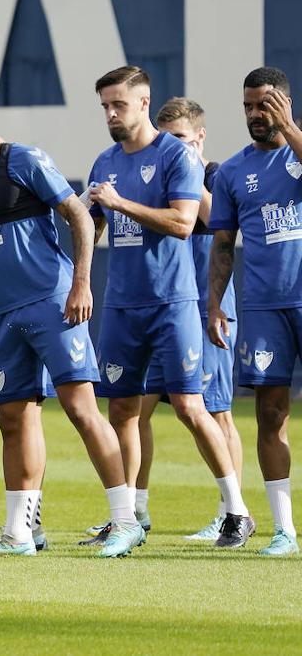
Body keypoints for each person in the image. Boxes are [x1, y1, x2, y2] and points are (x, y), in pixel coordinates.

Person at [0, 89, 144, 558]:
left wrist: (81, 283)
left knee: (81, 409)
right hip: (3, 314)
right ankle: (20, 534)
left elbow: (79, 220)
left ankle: (125, 522)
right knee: (13, 418)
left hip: (53, 302)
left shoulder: (25, 162)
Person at [83, 66, 251, 549]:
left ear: (142, 102)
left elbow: (182, 222)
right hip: (120, 303)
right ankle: (129, 518)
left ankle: (236, 512)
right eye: (105, 107)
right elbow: (94, 226)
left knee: (190, 407)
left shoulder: (176, 155)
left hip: (174, 303)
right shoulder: (104, 162)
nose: (111, 114)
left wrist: (119, 204)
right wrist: (77, 218)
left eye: (118, 104)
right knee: (122, 411)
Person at [132, 98, 245, 541]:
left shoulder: (216, 175)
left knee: (215, 412)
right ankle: (135, 510)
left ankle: (230, 513)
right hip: (167, 310)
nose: (171, 148)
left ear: (199, 137)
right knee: (133, 409)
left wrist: (187, 168)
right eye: (166, 140)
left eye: (180, 139)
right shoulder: (160, 178)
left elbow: (216, 223)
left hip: (207, 309)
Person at [207, 67, 301, 556]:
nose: (254, 115)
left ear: (284, 103)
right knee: (270, 413)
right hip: (263, 306)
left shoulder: (298, 153)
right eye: (247, 106)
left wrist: (292, 131)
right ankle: (284, 530)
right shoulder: (231, 173)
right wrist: (214, 302)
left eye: (264, 104)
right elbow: (223, 244)